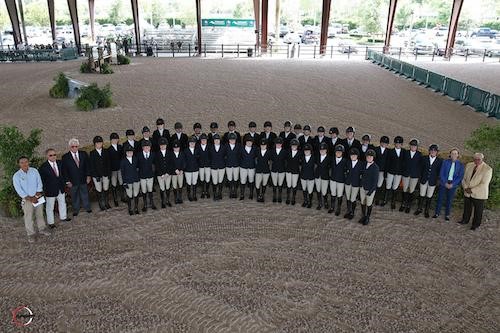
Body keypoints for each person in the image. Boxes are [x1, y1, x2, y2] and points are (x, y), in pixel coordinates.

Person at [13, 156, 51, 242]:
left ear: (28, 162)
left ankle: (42, 229)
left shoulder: (34, 171)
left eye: (26, 162)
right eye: (22, 162)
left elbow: (39, 183)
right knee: (28, 216)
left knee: (40, 214)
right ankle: (31, 234)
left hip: (37, 197)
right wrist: (30, 198)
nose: (24, 164)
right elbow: (19, 190)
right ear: (19, 164)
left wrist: (37, 195)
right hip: (27, 200)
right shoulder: (16, 176)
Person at [458, 153, 492, 230]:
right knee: (467, 208)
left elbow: (484, 184)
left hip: (479, 193)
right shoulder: (469, 165)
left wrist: (472, 190)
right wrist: (465, 187)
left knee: (478, 210)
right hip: (467, 191)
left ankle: (475, 225)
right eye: (475, 159)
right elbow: (464, 178)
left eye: (478, 159)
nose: (476, 161)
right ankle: (465, 220)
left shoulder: (488, 169)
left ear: (482, 159)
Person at [39, 149, 71, 228]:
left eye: (54, 155)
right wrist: (44, 190)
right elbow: (42, 180)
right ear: (47, 156)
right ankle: (51, 222)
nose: (53, 156)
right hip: (50, 190)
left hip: (60, 187)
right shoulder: (43, 167)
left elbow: (64, 174)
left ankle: (63, 217)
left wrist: (66, 183)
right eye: (51, 155)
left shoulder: (60, 163)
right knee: (50, 207)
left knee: (62, 203)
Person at [62, 138, 92, 216]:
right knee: (74, 195)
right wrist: (67, 181)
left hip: (83, 178)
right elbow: (64, 171)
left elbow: (88, 166)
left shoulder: (83, 154)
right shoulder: (65, 157)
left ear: (78, 146)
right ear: (69, 147)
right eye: (72, 147)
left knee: (85, 193)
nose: (74, 148)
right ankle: (76, 209)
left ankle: (87, 207)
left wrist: (88, 176)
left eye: (76, 146)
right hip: (72, 180)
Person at [433, 148, 464, 221]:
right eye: (452, 153)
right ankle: (437, 213)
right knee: (440, 198)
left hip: (453, 184)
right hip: (444, 183)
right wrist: (445, 183)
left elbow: (460, 177)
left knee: (449, 200)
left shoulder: (460, 165)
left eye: (455, 153)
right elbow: (441, 173)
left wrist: (452, 184)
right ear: (450, 154)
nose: (454, 155)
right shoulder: (445, 162)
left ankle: (447, 215)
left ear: (458, 155)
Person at [415, 144, 442, 218]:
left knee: (429, 196)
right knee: (421, 194)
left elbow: (439, 172)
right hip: (423, 179)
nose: (433, 151)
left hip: (432, 181)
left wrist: (437, 181)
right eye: (431, 150)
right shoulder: (424, 158)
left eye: (435, 150)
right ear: (429, 151)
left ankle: (426, 210)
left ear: (437, 152)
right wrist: (419, 179)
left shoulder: (440, 161)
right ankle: (419, 208)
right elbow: (420, 169)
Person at [89, 135, 112, 211]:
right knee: (99, 189)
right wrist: (95, 175)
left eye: (100, 142)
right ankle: (101, 203)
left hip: (105, 173)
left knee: (106, 188)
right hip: (97, 175)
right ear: (95, 144)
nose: (99, 144)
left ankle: (106, 202)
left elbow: (108, 163)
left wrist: (109, 173)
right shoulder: (92, 153)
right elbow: (92, 165)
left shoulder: (106, 151)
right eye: (97, 143)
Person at [400, 139, 423, 213]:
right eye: (412, 145)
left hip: (414, 175)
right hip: (406, 174)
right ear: (410, 145)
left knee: (411, 190)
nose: (413, 147)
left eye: (415, 146)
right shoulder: (405, 152)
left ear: (417, 147)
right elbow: (402, 162)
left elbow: (420, 166)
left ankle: (408, 205)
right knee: (404, 189)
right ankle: (403, 203)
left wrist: (418, 174)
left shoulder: (419, 154)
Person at [359, 149, 379, 225]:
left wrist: (371, 191)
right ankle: (363, 216)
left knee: (369, 204)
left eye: (371, 157)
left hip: (370, 189)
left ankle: (367, 217)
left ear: (373, 158)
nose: (369, 158)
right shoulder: (364, 164)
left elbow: (375, 181)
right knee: (362, 202)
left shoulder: (375, 167)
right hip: (363, 187)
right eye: (368, 156)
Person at [385, 136, 405, 210]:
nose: (398, 144)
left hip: (399, 173)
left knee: (395, 187)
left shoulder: (404, 152)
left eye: (399, 143)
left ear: (402, 144)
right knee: (388, 186)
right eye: (397, 143)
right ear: (394, 144)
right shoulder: (391, 151)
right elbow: (387, 162)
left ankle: (393, 202)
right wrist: (386, 173)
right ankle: (385, 199)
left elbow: (404, 163)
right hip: (390, 171)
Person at [121, 145, 140, 215]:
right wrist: (124, 182)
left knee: (136, 194)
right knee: (129, 195)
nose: (130, 153)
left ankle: (136, 207)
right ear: (126, 153)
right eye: (128, 152)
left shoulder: (135, 159)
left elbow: (138, 168)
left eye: (131, 152)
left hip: (136, 179)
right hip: (128, 180)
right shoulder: (123, 161)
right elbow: (122, 173)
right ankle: (130, 209)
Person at [137, 140, 156, 211]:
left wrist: (153, 171)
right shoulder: (139, 155)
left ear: (150, 148)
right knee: (144, 190)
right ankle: (145, 204)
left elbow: (154, 164)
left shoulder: (153, 154)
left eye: (148, 147)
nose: (147, 148)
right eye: (145, 147)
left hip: (150, 175)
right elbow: (137, 166)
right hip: (142, 176)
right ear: (142, 148)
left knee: (150, 190)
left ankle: (151, 203)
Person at [344, 148, 362, 220]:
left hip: (356, 184)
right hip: (348, 183)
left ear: (357, 156)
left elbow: (361, 175)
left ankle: (352, 212)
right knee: (348, 197)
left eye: (354, 155)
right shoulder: (347, 162)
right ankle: (348, 211)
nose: (353, 156)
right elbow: (345, 171)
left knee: (353, 198)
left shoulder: (361, 164)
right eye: (351, 155)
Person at [329, 144, 347, 215]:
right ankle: (332, 207)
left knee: (339, 195)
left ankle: (338, 208)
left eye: (340, 152)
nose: (338, 153)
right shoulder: (332, 159)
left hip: (341, 180)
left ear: (342, 153)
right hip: (333, 179)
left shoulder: (345, 161)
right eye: (337, 152)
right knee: (333, 194)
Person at [154, 138, 173, 208]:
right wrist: (161, 174)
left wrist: (168, 173)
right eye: (161, 145)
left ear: (166, 145)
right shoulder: (157, 154)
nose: (163, 146)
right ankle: (163, 201)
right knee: (162, 188)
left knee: (167, 187)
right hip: (160, 175)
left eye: (164, 145)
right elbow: (157, 165)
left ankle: (167, 200)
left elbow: (171, 164)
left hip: (168, 174)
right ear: (159, 146)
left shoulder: (170, 153)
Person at [108, 132, 125, 206]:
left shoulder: (120, 147)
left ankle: (122, 197)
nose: (115, 140)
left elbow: (123, 157)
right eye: (113, 139)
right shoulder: (108, 150)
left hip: (120, 168)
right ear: (111, 140)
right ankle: (115, 199)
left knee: (121, 183)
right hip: (113, 170)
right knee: (114, 184)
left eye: (116, 139)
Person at [209, 134, 226, 200]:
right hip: (213, 166)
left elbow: (225, 156)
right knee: (214, 181)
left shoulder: (223, 147)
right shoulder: (210, 147)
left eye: (218, 140)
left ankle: (220, 193)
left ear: (220, 140)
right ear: (213, 140)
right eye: (215, 140)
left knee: (220, 180)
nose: (216, 141)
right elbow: (209, 156)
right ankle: (215, 193)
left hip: (221, 166)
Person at [239, 134, 256, 200]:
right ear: (245, 142)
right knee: (243, 181)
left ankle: (251, 194)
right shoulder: (241, 148)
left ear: (252, 142)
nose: (249, 143)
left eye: (251, 141)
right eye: (248, 141)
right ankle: (242, 194)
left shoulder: (255, 149)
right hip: (243, 167)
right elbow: (239, 157)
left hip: (251, 167)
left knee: (251, 180)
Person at [270, 137, 287, 203]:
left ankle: (279, 196)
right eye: (277, 143)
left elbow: (286, 161)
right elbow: (270, 160)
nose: (278, 145)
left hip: (281, 170)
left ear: (281, 144)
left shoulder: (284, 152)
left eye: (280, 143)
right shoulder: (272, 151)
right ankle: (274, 196)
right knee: (274, 184)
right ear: (275, 144)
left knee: (280, 184)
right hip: (274, 169)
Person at [314, 142, 331, 210]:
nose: (322, 151)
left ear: (326, 150)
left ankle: (326, 202)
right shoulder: (317, 157)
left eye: (323, 150)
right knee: (318, 189)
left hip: (325, 176)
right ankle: (320, 202)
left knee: (324, 190)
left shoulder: (329, 158)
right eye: (321, 150)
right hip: (318, 175)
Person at [285, 138, 301, 205]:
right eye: (292, 145)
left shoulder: (300, 153)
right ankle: (288, 197)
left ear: (297, 146)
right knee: (288, 184)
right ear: (291, 146)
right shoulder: (287, 152)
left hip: (295, 171)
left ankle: (293, 197)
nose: (294, 146)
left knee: (294, 185)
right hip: (288, 170)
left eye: (295, 145)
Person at [374, 136, 389, 206]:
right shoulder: (376, 149)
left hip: (382, 171)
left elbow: (387, 163)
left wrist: (385, 173)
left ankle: (377, 198)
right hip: (375, 170)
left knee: (379, 185)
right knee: (374, 183)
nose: (384, 144)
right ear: (380, 142)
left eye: (386, 143)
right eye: (383, 142)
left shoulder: (388, 151)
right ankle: (373, 197)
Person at [255, 138, 272, 202]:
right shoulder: (257, 151)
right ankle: (258, 195)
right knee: (257, 184)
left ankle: (262, 195)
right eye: (262, 145)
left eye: (264, 145)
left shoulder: (269, 152)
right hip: (258, 170)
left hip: (266, 170)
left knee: (264, 183)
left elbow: (271, 161)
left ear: (266, 145)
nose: (263, 146)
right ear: (260, 145)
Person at [225, 132, 241, 198]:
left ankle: (235, 191)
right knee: (230, 178)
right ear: (229, 140)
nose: (232, 140)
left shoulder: (239, 146)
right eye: (231, 139)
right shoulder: (225, 146)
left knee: (236, 178)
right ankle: (231, 191)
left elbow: (240, 155)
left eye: (233, 139)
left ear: (235, 139)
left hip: (236, 164)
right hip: (228, 164)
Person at [184, 136, 200, 201]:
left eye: (193, 142)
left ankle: (194, 195)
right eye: (191, 142)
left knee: (194, 182)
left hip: (195, 169)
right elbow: (184, 160)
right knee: (189, 182)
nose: (192, 144)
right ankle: (189, 195)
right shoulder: (185, 150)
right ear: (189, 143)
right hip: (188, 169)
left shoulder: (197, 150)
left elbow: (199, 159)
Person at [300, 144, 315, 208]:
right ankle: (305, 201)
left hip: (311, 176)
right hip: (303, 176)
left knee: (310, 190)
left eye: (308, 150)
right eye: (305, 150)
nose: (306, 152)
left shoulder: (314, 158)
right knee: (304, 189)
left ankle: (310, 202)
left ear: (310, 151)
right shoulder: (302, 158)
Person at [198, 133, 211, 198]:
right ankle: (203, 191)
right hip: (201, 166)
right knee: (202, 179)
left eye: (205, 140)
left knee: (207, 179)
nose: (203, 141)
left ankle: (207, 191)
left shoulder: (209, 146)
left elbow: (211, 156)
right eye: (202, 140)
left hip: (208, 165)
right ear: (200, 140)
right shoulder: (197, 146)